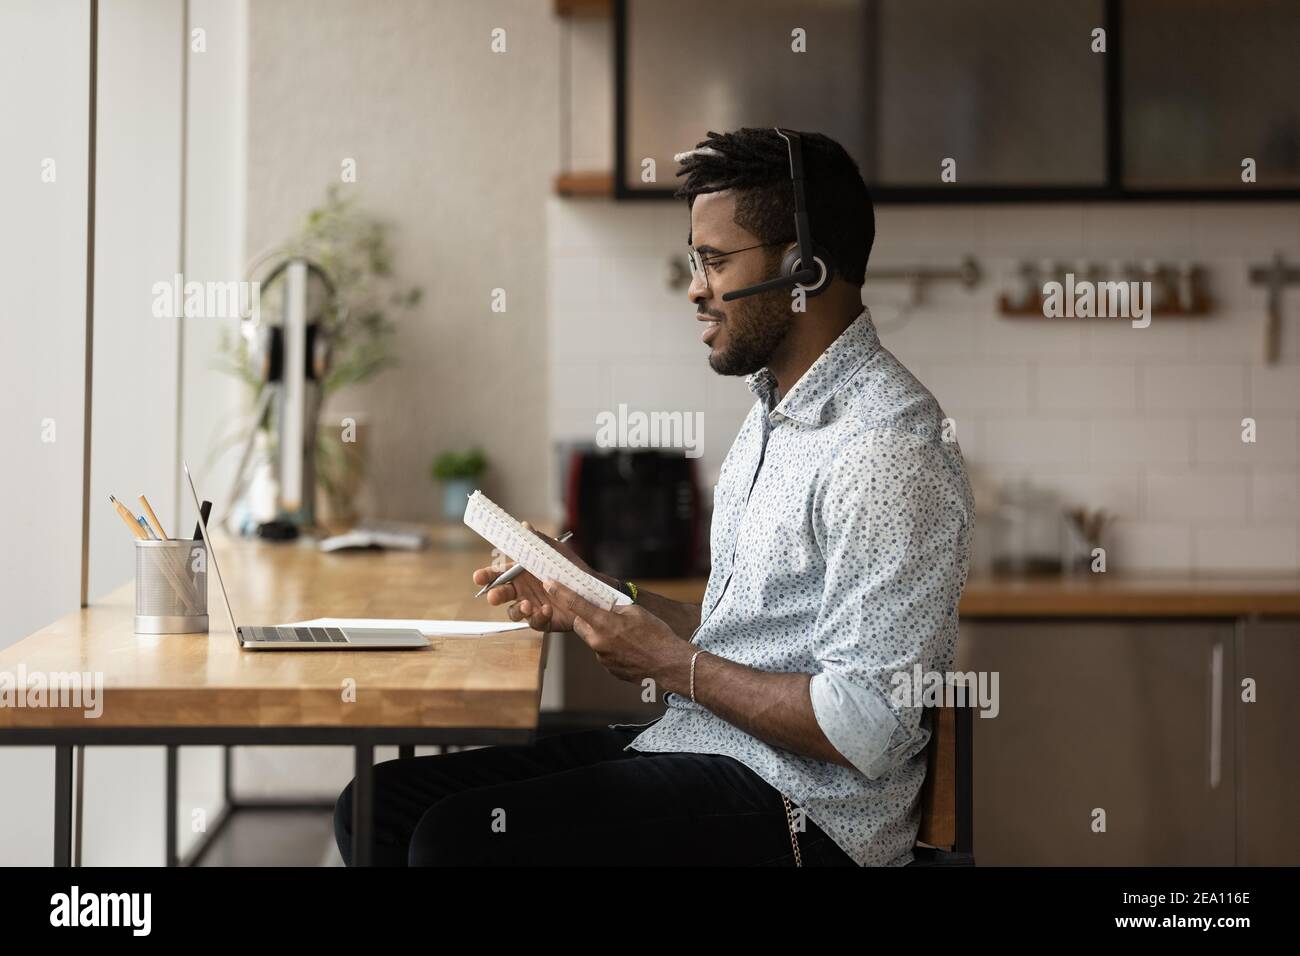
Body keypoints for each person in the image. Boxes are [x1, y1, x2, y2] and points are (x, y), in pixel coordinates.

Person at [334, 127, 973, 866]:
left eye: (716, 260)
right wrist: (598, 595)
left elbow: (864, 725)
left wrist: (670, 666)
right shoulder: (777, 413)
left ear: (804, 268)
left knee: (454, 844)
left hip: (807, 820)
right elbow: (757, 638)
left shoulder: (886, 446)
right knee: (378, 811)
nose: (697, 286)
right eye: (695, 261)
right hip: (709, 748)